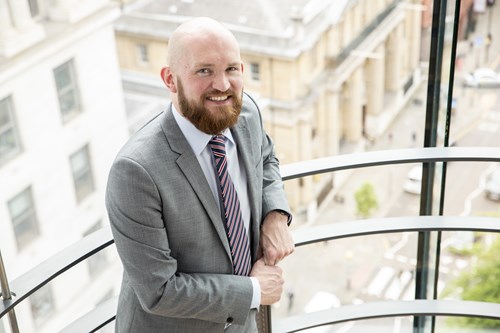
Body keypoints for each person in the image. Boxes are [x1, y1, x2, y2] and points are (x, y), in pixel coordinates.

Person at [105, 17, 294, 332]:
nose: (222, 85)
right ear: (170, 79)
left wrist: (275, 214)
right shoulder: (135, 171)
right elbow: (158, 290)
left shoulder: (246, 113)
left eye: (231, 69)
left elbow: (266, 158)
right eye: (204, 71)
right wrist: (255, 291)